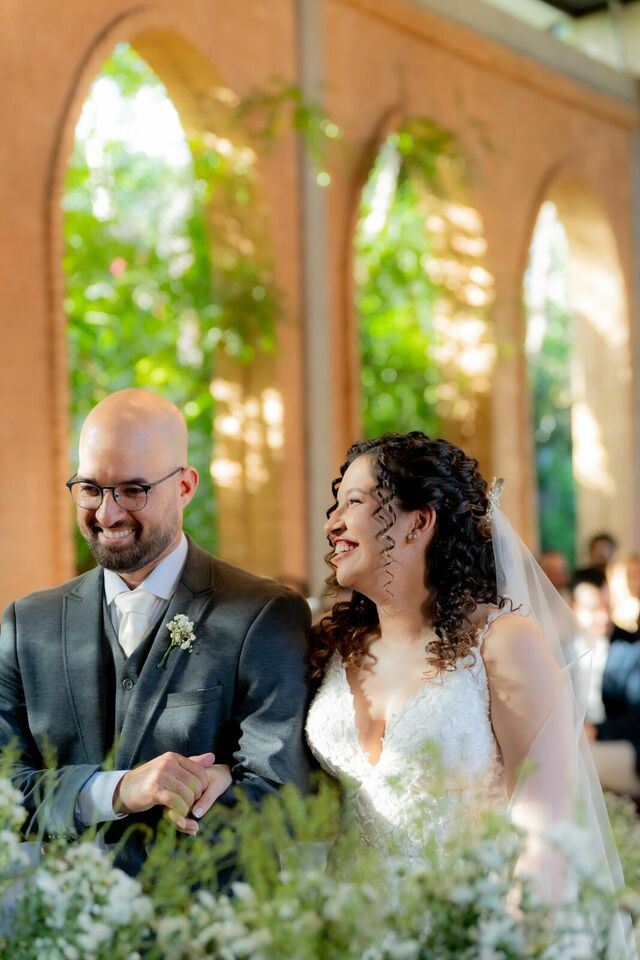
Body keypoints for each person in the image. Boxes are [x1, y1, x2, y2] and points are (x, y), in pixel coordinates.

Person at [305, 432, 632, 950]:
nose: (333, 524)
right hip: (349, 931)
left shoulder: (504, 643)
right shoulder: (332, 646)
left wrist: (507, 941)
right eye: (335, 506)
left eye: (355, 503)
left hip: (469, 928)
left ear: (418, 522)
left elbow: (547, 829)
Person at [0, 389, 312, 874]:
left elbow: (281, 798)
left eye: (132, 490)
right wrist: (117, 791)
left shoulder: (264, 614)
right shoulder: (26, 625)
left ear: (185, 486)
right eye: (90, 488)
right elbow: (5, 788)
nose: (107, 514)